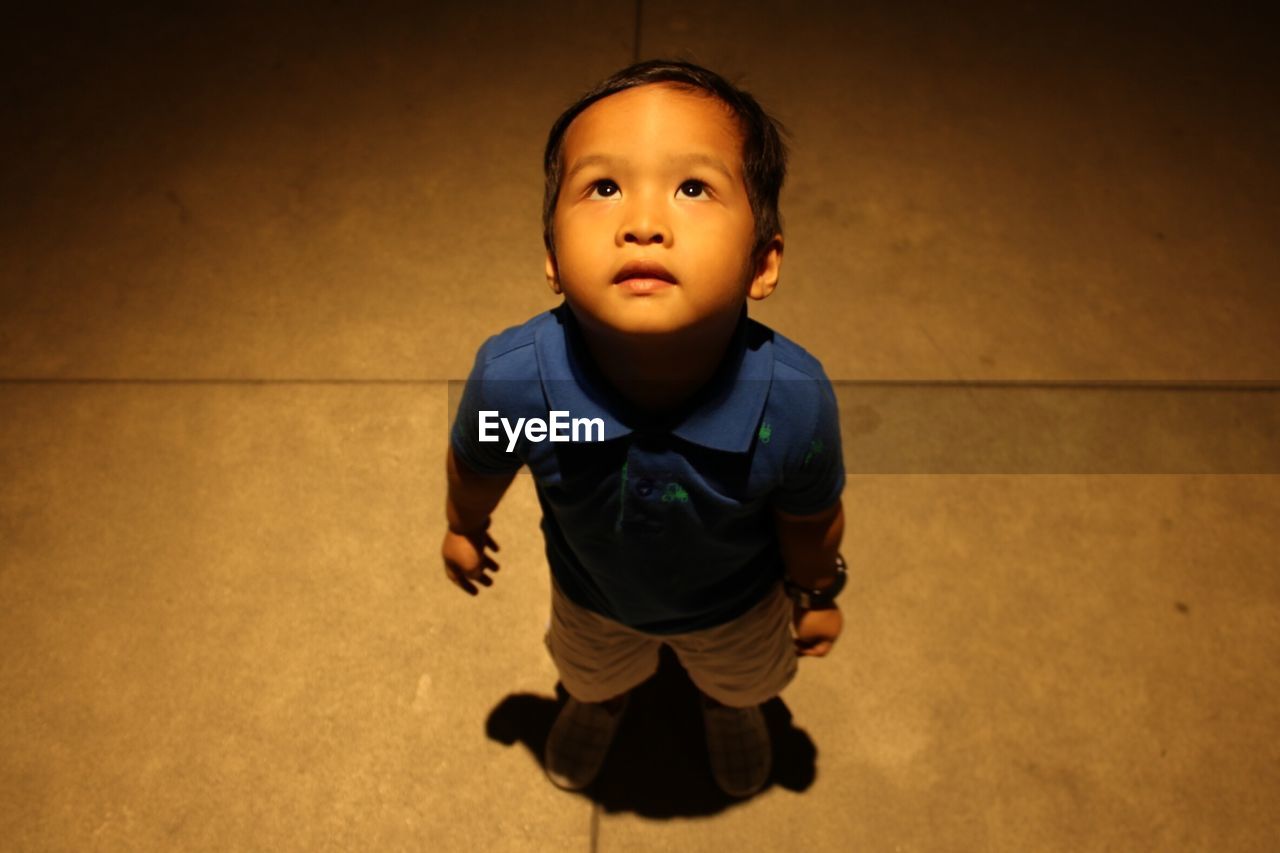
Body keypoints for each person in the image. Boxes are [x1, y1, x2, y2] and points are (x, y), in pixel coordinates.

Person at [442, 60, 846, 798]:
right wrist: (464, 523)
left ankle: (729, 706)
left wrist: (818, 595)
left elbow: (812, 518)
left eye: (693, 187)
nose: (643, 222)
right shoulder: (516, 378)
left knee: (741, 675)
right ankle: (605, 700)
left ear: (763, 260)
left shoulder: (792, 400)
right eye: (603, 187)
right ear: (552, 258)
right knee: (590, 668)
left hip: (739, 604)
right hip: (592, 593)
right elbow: (479, 457)